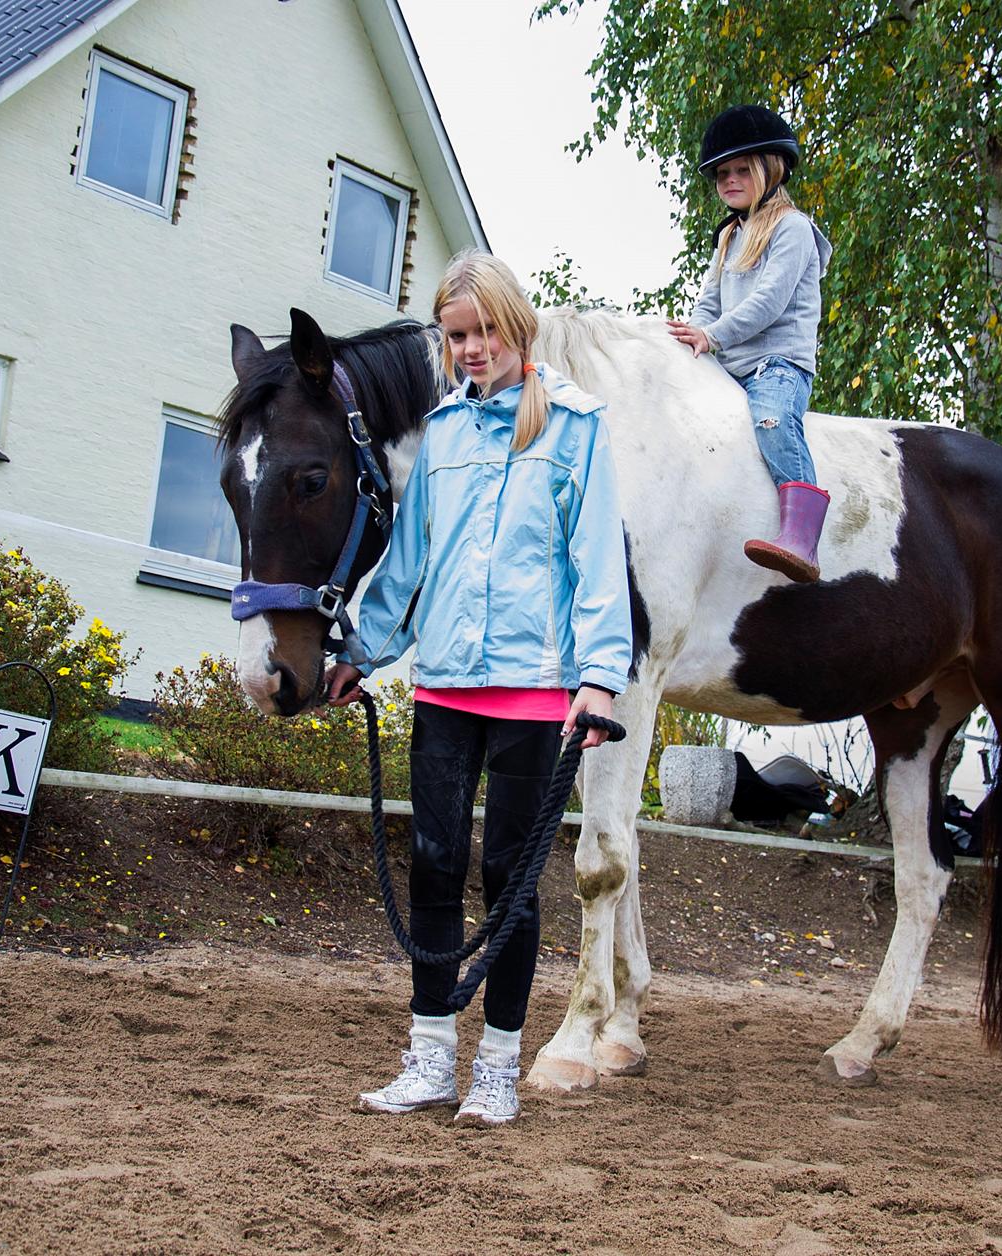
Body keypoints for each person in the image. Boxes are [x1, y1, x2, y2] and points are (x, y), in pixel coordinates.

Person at [326, 249, 632, 1126]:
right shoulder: (446, 436)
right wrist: (363, 649)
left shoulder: (575, 427)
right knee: (432, 862)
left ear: (516, 326)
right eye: (457, 335)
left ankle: (497, 1065)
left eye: (484, 330)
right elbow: (408, 564)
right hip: (447, 685)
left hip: (538, 692)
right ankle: (430, 1058)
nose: (470, 348)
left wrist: (600, 678)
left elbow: (597, 561)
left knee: (509, 878)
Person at [667, 105, 833, 583]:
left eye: (742, 169)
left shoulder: (793, 229)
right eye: (722, 174)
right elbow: (708, 303)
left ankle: (802, 537)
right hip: (734, 365)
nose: (730, 180)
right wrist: (690, 340)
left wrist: (712, 336)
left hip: (778, 364)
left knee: (774, 422)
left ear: (770, 169)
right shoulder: (730, 237)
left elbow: (769, 302)